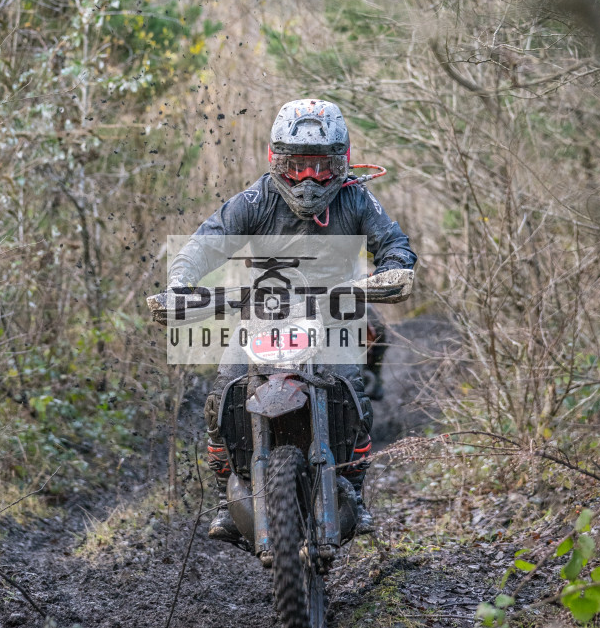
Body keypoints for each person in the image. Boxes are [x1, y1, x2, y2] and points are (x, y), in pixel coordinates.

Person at [168, 98, 417, 541]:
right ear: (275, 160)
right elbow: (207, 241)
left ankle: (353, 494)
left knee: (351, 394)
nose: (307, 179)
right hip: (263, 314)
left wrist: (393, 268)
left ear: (341, 164)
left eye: (320, 167)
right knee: (223, 392)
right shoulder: (255, 199)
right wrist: (181, 280)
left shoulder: (356, 199)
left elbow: (392, 241)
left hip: (334, 311)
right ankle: (227, 502)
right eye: (296, 165)